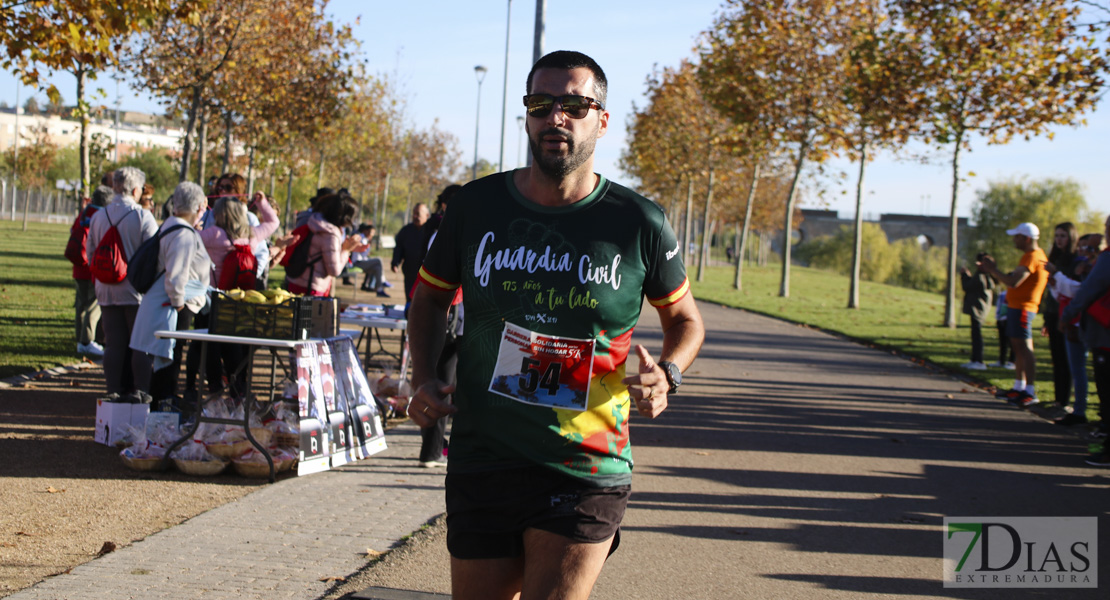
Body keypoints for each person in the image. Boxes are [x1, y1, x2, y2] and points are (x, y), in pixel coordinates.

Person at [406, 51, 705, 599]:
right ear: (527, 116)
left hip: (585, 460)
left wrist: (669, 372)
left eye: (574, 104)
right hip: (484, 452)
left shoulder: (638, 222)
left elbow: (685, 320)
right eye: (541, 104)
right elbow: (428, 299)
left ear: (602, 119)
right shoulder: (476, 207)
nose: (556, 117)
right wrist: (422, 377)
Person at [130, 182, 211, 413]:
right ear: (197, 207)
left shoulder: (175, 226)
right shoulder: (183, 234)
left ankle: (162, 407)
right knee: (169, 359)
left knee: (169, 358)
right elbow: (176, 276)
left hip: (174, 303)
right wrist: (178, 304)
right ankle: (162, 410)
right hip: (175, 304)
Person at [86, 166, 159, 400]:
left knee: (113, 343)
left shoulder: (99, 215)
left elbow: (90, 251)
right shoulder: (142, 216)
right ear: (136, 190)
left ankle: (113, 392)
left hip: (105, 287)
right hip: (134, 289)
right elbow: (154, 254)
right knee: (139, 342)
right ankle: (140, 392)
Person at [416, 184, 463, 468]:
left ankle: (440, 449)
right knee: (442, 382)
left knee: (454, 383)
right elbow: (432, 286)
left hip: (461, 319)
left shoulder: (468, 229)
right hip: (449, 317)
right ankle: (431, 451)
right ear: (444, 206)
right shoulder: (443, 233)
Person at [979, 222, 1049, 407]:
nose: (1013, 240)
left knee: (1025, 348)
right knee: (1017, 348)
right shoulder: (1029, 256)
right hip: (1017, 307)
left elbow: (1013, 281)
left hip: (1024, 308)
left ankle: (1030, 391)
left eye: (1016, 236)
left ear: (1026, 238)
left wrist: (993, 269)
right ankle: (1019, 387)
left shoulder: (1032, 257)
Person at [1061, 216, 1110, 466]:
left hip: (1105, 336)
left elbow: (1088, 291)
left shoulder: (1107, 260)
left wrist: (1067, 315)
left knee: (1106, 390)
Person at [1052, 233, 1102, 426]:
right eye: (1081, 247)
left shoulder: (1097, 268)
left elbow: (1079, 293)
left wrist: (1058, 275)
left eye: (1089, 248)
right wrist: (1056, 285)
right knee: (1077, 368)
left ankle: (1083, 412)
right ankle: (1079, 409)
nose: (1084, 252)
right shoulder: (1080, 267)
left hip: (1089, 324)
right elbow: (1066, 294)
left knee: (1084, 370)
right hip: (1075, 322)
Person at [284, 192, 368, 297]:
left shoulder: (316, 223)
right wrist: (346, 250)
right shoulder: (330, 234)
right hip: (310, 289)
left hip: (297, 282)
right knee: (308, 314)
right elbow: (334, 270)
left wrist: (346, 247)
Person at [70, 185, 112, 357]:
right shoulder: (100, 217)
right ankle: (87, 340)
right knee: (94, 305)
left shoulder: (83, 214)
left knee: (81, 304)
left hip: (78, 267)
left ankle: (80, 339)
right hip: (92, 266)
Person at [1041, 222, 1078, 409]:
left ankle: (1065, 400)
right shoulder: (1055, 257)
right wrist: (1047, 318)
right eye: (1057, 236)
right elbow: (1051, 291)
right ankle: (1058, 399)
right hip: (1053, 312)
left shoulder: (1074, 259)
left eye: (1063, 236)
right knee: (1056, 358)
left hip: (1067, 314)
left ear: (1071, 237)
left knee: (1066, 358)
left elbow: (1072, 288)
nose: (1059, 240)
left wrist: (1056, 274)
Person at [959, 254, 994, 370]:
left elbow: (968, 287)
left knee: (976, 334)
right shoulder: (986, 276)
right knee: (975, 334)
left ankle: (978, 360)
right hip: (979, 308)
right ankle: (975, 359)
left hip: (978, 308)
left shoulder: (981, 276)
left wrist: (964, 275)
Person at [390, 203, 430, 302]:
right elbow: (399, 248)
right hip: (410, 272)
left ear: (427, 215)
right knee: (410, 300)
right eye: (414, 213)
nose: (415, 216)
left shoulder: (432, 231)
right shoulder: (406, 230)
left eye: (418, 213)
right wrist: (395, 262)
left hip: (427, 275)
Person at [346, 223, 389, 297]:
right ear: (365, 231)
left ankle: (379, 290)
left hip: (361, 263)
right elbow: (362, 254)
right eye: (371, 233)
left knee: (377, 268)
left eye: (373, 233)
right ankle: (383, 281)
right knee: (379, 260)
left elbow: (364, 255)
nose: (371, 235)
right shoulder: (360, 238)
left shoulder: (365, 239)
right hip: (357, 263)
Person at [992, 290, 1015, 369]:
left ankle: (1012, 361)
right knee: (1003, 341)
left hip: (1011, 319)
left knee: (1012, 342)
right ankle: (1002, 360)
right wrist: (998, 318)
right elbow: (999, 306)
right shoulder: (1003, 294)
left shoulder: (1014, 293)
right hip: (1001, 319)